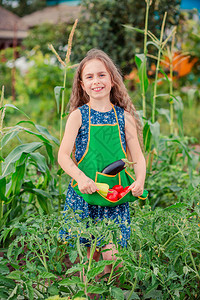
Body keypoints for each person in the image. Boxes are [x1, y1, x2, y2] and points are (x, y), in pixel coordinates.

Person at [58, 48, 146, 276]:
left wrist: (140, 181)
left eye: (102, 75)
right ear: (81, 83)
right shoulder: (78, 116)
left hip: (114, 196)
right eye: (89, 77)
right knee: (90, 261)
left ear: (112, 80)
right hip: (85, 195)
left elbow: (138, 157)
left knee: (113, 259)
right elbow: (63, 156)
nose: (96, 81)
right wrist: (80, 177)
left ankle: (112, 289)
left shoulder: (124, 117)